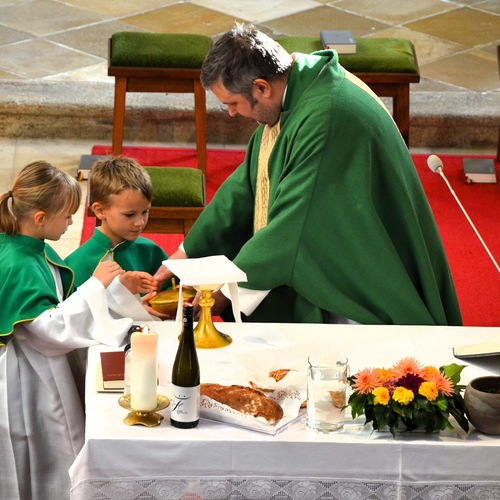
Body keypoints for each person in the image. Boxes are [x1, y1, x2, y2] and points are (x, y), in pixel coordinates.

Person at [154, 23, 462, 326]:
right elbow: (248, 185)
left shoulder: (326, 117)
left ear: (261, 88)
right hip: (339, 236)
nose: (232, 113)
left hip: (362, 275)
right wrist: (186, 255)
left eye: (232, 103)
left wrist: (225, 291)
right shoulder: (296, 90)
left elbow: (293, 229)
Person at [0, 161, 157, 499]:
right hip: (28, 376)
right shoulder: (19, 262)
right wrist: (96, 285)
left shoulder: (28, 245)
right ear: (40, 217)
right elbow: (50, 329)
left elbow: (61, 302)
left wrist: (114, 290)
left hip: (36, 363)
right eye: (67, 216)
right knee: (43, 449)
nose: (72, 222)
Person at [65, 157, 170, 317]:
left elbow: (174, 291)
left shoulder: (150, 250)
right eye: (130, 215)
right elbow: (73, 317)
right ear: (100, 211)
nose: (140, 222)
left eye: (145, 212)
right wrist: (134, 309)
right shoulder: (78, 263)